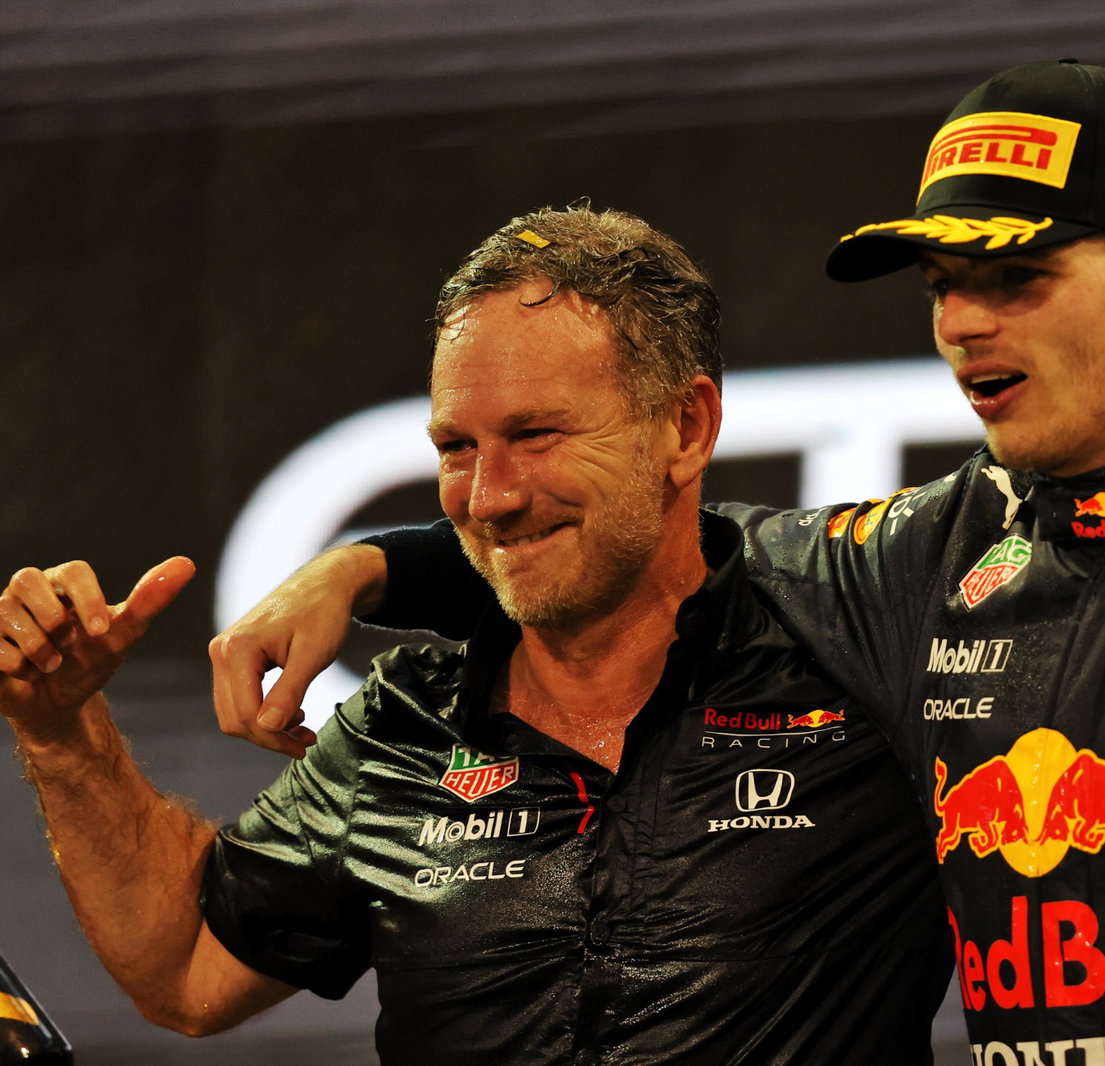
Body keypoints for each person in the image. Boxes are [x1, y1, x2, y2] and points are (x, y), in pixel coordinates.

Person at [202, 62, 1105, 1063]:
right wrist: (370, 571)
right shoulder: (917, 554)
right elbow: (650, 545)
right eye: (938, 284)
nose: (963, 321)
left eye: (1016, 273)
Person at [0, 208, 957, 1064]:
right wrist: (60, 731)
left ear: (687, 426)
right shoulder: (402, 725)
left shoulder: (853, 657)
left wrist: (370, 565)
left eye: (538, 435)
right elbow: (185, 970)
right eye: (456, 447)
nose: (489, 496)